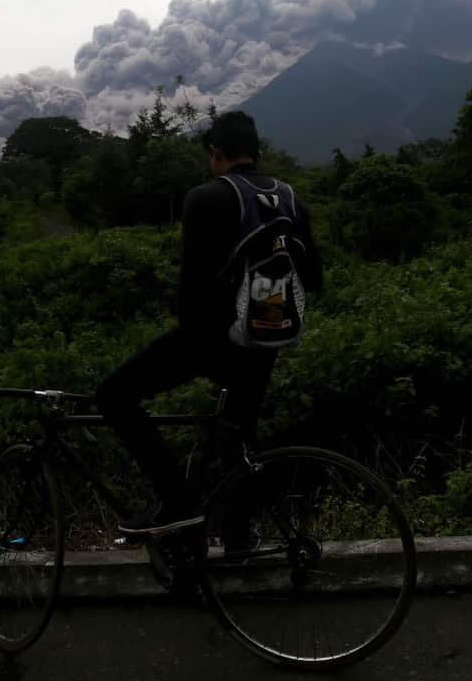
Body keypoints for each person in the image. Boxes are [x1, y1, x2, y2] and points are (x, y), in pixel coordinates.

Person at [95, 110, 324, 535]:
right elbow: (314, 280)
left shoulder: (204, 198)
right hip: (267, 339)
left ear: (216, 152)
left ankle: (177, 502)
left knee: (114, 396)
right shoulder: (293, 199)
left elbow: (191, 292)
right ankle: (238, 543)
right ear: (258, 152)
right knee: (236, 441)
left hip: (212, 340)